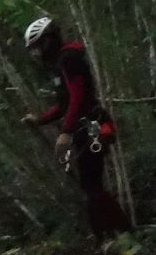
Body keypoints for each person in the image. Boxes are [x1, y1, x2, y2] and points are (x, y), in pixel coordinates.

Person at [21, 17, 132, 240]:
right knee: (91, 185)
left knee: (91, 186)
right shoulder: (59, 65)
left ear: (49, 41)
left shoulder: (69, 60)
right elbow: (64, 104)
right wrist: (41, 120)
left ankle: (113, 235)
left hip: (92, 126)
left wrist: (66, 132)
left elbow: (78, 98)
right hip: (85, 128)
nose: (35, 54)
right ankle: (115, 233)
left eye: (37, 47)